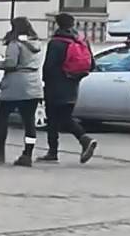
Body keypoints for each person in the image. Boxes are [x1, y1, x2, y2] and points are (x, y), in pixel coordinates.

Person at [0, 16, 44, 167]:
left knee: (2, 117)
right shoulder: (36, 43)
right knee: (29, 122)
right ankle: (28, 154)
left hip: (15, 85)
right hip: (33, 84)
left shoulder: (15, 43)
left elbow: (11, 63)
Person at [40, 12, 98, 164]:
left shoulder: (56, 42)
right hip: (73, 85)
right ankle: (56, 150)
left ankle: (81, 140)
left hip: (55, 86)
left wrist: (44, 81)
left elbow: (49, 66)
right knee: (65, 116)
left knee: (54, 119)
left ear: (58, 24)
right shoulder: (81, 41)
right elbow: (91, 65)